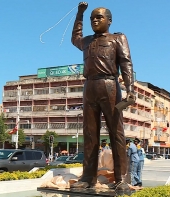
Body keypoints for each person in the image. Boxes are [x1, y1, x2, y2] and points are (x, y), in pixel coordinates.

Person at [70, 2, 135, 192]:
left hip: (110, 86)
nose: (95, 21)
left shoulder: (118, 38)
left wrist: (130, 88)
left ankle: (121, 177)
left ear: (109, 20)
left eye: (99, 17)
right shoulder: (87, 41)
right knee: (90, 135)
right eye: (92, 18)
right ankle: (88, 177)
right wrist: (80, 14)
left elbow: (126, 63)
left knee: (117, 133)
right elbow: (75, 37)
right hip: (89, 86)